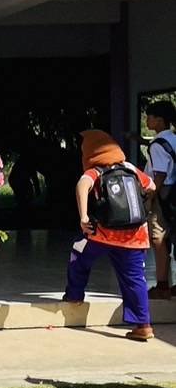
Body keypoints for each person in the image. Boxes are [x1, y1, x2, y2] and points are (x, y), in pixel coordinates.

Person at [64, 130, 155, 342]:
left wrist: (84, 216)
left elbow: (82, 185)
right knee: (135, 280)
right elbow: (151, 186)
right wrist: (143, 206)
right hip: (135, 235)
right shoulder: (129, 168)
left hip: (102, 234)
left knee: (79, 256)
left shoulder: (96, 170)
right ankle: (144, 326)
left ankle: (75, 296)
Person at [145, 99, 176, 300]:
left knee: (159, 239)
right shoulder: (174, 139)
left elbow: (160, 174)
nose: (147, 120)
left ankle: (162, 285)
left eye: (150, 117)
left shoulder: (157, 144)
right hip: (175, 194)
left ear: (159, 120)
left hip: (163, 195)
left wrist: (149, 197)